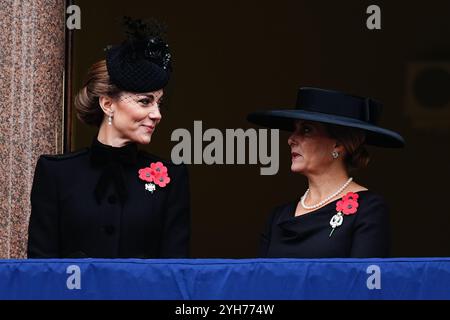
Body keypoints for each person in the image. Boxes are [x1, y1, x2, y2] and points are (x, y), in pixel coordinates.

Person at [27, 18, 190, 258]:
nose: (157, 114)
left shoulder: (172, 178)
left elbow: (176, 275)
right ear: (107, 104)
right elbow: (41, 272)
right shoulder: (56, 174)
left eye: (159, 103)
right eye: (145, 101)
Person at [247, 87, 405, 258]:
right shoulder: (277, 217)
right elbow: (260, 280)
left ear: (338, 145)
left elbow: (363, 282)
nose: (291, 139)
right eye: (294, 129)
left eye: (306, 130)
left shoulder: (368, 209)